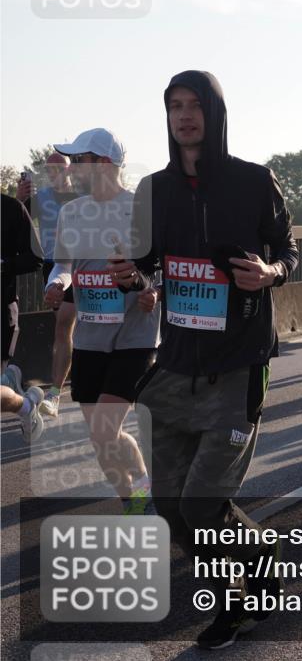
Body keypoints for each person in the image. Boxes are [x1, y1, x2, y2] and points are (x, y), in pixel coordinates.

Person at [110, 70, 298, 649]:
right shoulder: (154, 189)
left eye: (194, 105)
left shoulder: (253, 180)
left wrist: (270, 273)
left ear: (214, 114)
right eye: (174, 106)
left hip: (238, 365)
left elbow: (288, 248)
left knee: (201, 504)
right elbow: (145, 265)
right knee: (169, 508)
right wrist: (130, 278)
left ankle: (242, 598)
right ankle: (259, 565)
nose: (184, 115)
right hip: (175, 366)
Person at [46, 128, 160, 514]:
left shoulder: (140, 210)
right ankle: (134, 495)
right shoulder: (71, 212)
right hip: (91, 338)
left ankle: (142, 491)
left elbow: (160, 269)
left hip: (135, 336)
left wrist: (153, 292)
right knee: (100, 440)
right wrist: (56, 284)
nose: (73, 169)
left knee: (103, 430)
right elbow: (63, 266)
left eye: (80, 161)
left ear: (105, 164)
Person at [17, 153, 77, 418]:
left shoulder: (82, 198)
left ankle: (83, 384)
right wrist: (20, 198)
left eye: (59, 168)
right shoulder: (40, 198)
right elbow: (15, 223)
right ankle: (54, 393)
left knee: (74, 325)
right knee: (64, 325)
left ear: (69, 170)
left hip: (83, 264)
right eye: (50, 169)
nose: (54, 173)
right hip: (53, 266)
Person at [1, 193, 44, 440]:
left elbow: (35, 257)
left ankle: (25, 406)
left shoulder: (10, 208)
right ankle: (18, 395)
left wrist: (3, 266)